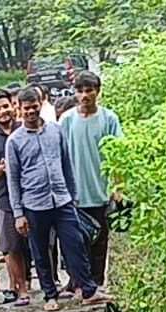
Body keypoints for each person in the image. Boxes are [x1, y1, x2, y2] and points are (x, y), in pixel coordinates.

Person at [6, 86, 104, 311]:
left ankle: (88, 290)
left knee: (75, 243)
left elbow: (67, 164)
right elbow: (12, 179)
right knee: (41, 252)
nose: (31, 111)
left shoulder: (55, 131)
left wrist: (73, 195)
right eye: (26, 108)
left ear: (41, 105)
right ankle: (50, 295)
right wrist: (18, 214)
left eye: (34, 107)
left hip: (62, 200)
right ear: (19, 110)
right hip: (34, 204)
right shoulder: (14, 141)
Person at [58, 71, 122, 286]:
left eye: (89, 91)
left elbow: (118, 155)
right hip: (72, 194)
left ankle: (97, 283)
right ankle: (76, 281)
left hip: (100, 191)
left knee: (99, 242)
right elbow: (58, 154)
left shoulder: (109, 119)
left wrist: (119, 186)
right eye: (80, 91)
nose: (85, 95)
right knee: (74, 241)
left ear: (97, 92)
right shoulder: (66, 120)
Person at [0, 88, 32, 306]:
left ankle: (49, 284)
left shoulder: (25, 129)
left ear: (13, 105)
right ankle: (21, 290)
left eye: (5, 106)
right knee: (11, 247)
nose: (3, 111)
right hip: (5, 199)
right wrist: (2, 168)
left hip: (32, 196)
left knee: (40, 243)